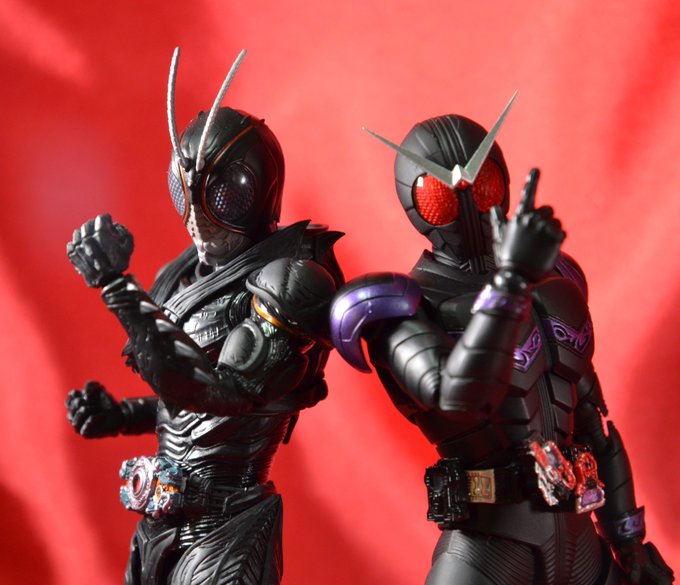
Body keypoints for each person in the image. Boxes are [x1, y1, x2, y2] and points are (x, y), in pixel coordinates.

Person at [330, 107, 673, 584]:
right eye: (439, 195)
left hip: (581, 546)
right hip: (489, 551)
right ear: (413, 203)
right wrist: (510, 282)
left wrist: (629, 541)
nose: (467, 198)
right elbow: (456, 396)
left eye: (484, 182)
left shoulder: (557, 282)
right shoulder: (399, 307)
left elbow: (594, 427)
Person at [65, 49, 343, 585]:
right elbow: (186, 410)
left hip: (227, 527)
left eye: (221, 193)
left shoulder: (292, 280)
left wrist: (119, 289)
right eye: (185, 189)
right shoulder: (181, 276)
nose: (197, 213)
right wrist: (122, 416)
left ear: (258, 192)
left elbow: (223, 394)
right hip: (159, 521)